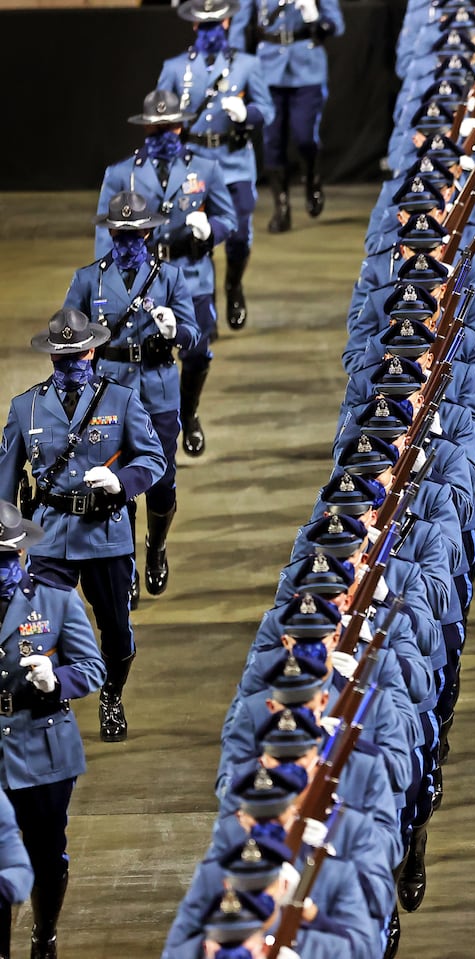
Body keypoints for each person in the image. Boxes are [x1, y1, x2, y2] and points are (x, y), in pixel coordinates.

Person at [0, 309, 166, 743]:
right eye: (60, 357)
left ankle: (111, 692)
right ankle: (54, 693)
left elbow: (154, 460)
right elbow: (5, 486)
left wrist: (122, 482)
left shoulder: (122, 400)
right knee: (38, 625)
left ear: (92, 351)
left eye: (77, 355)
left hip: (104, 535)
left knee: (115, 627)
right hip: (49, 535)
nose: (69, 364)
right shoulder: (25, 407)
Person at [66, 190, 201, 600]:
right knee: (115, 484)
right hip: (110, 393)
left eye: (133, 235)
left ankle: (156, 546)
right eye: (118, 235)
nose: (125, 243)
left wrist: (174, 328)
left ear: (146, 235)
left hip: (158, 391)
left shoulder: (169, 277)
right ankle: (123, 569)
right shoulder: (89, 279)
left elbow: (195, 339)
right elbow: (68, 342)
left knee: (161, 484)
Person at [95, 89, 238, 460]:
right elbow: (102, 239)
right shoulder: (121, 174)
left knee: (197, 352)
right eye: (155, 128)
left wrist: (211, 232)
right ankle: (146, 426)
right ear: (145, 130)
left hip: (191, 274)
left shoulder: (204, 167)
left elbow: (229, 218)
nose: (163, 134)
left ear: (181, 126)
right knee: (142, 354)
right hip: (139, 278)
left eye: (170, 126)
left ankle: (188, 413)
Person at [0, 502, 105, 958]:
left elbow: (93, 668)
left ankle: (45, 935)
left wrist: (56, 678)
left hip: (42, 747)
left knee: (46, 855)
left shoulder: (55, 598)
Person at [156, 0, 275, 332]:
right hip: (193, 161)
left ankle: (234, 285)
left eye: (216, 24)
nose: (210, 31)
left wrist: (247, 114)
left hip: (234, 161)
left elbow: (267, 110)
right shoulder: (176, 67)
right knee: (196, 234)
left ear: (226, 24)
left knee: (238, 233)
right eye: (203, 25)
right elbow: (160, 116)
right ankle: (203, 306)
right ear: (194, 26)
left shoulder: (247, 65)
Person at [228, 0, 345, 233]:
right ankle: (281, 207)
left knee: (305, 136)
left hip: (308, 65)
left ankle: (312, 177)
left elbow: (337, 24)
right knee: (273, 141)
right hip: (268, 66)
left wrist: (317, 21)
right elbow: (239, 25)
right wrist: (236, 66)